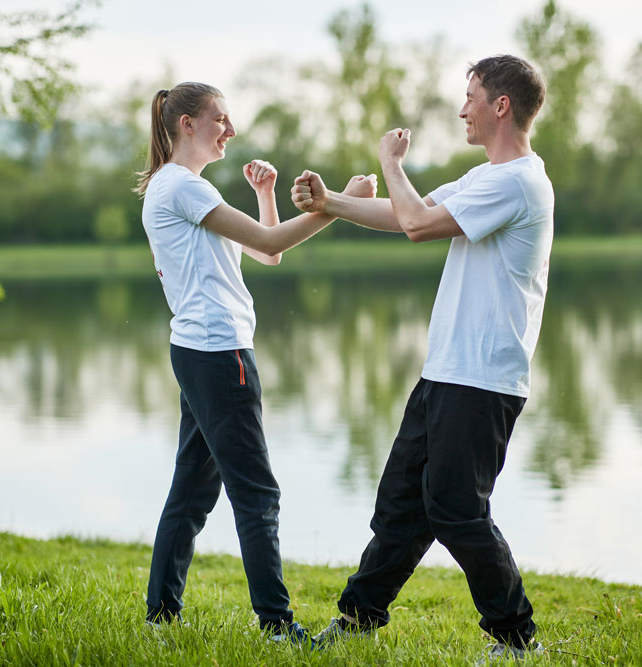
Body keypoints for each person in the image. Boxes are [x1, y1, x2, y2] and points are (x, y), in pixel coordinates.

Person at [291, 55, 553, 661]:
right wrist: (330, 203)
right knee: (403, 503)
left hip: (484, 379)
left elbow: (414, 225)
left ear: (501, 106)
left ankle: (518, 638)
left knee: (458, 510)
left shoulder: (515, 182)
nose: (462, 108)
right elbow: (404, 213)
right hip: (446, 373)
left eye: (470, 97)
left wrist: (390, 163)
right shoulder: (486, 176)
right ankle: (358, 620)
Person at [136, 81, 375, 643]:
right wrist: (341, 202)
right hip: (220, 355)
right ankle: (275, 626)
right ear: (187, 124)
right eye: (220, 118)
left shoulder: (181, 188)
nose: (231, 129)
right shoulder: (182, 189)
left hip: (201, 351)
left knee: (192, 492)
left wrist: (267, 193)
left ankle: (161, 618)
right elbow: (272, 239)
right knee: (257, 493)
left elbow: (267, 249)